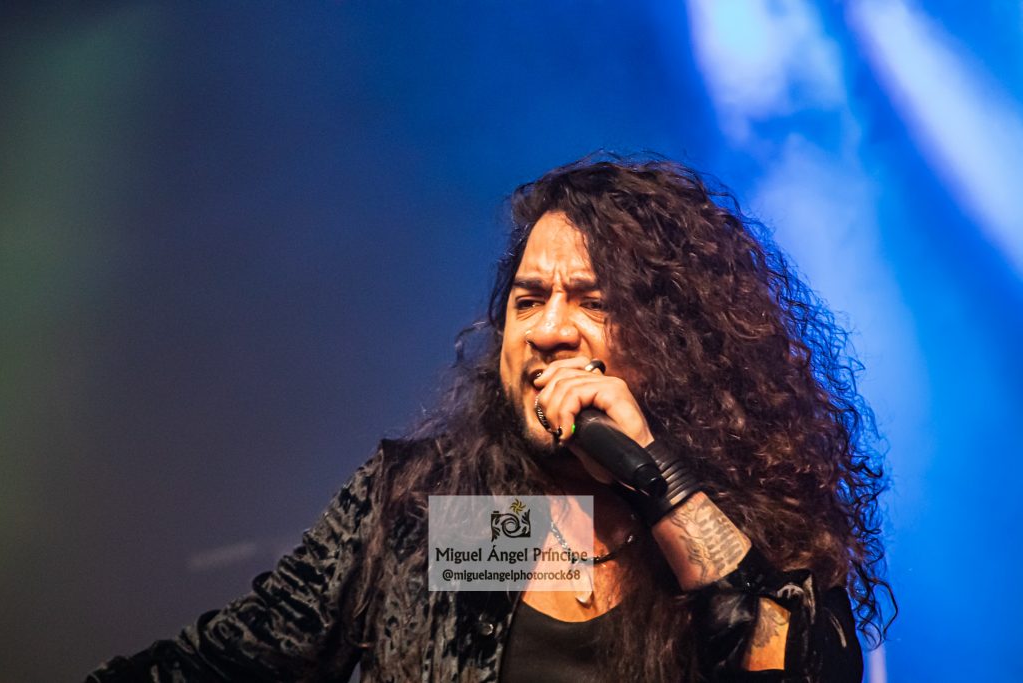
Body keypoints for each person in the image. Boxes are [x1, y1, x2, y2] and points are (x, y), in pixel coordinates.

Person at [87, 156, 893, 682]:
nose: (549, 329)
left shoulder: (745, 516)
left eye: (592, 302)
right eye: (528, 300)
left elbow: (803, 667)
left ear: (678, 337)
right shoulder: (455, 512)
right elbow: (224, 664)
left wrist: (657, 476)